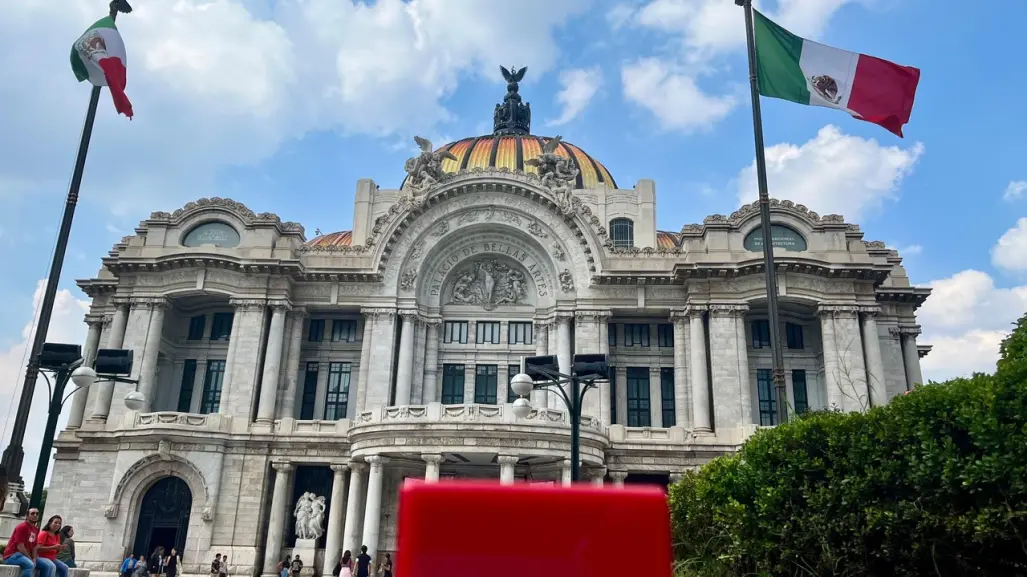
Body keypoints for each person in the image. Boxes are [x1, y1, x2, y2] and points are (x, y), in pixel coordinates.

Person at [2, 507, 40, 577]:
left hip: (25, 556)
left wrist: (34, 558)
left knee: (48, 565)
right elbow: (20, 546)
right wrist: (30, 559)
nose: (35, 515)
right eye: (32, 513)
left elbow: (35, 546)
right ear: (27, 516)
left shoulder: (36, 529)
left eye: (37, 514)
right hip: (12, 555)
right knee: (30, 565)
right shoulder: (22, 527)